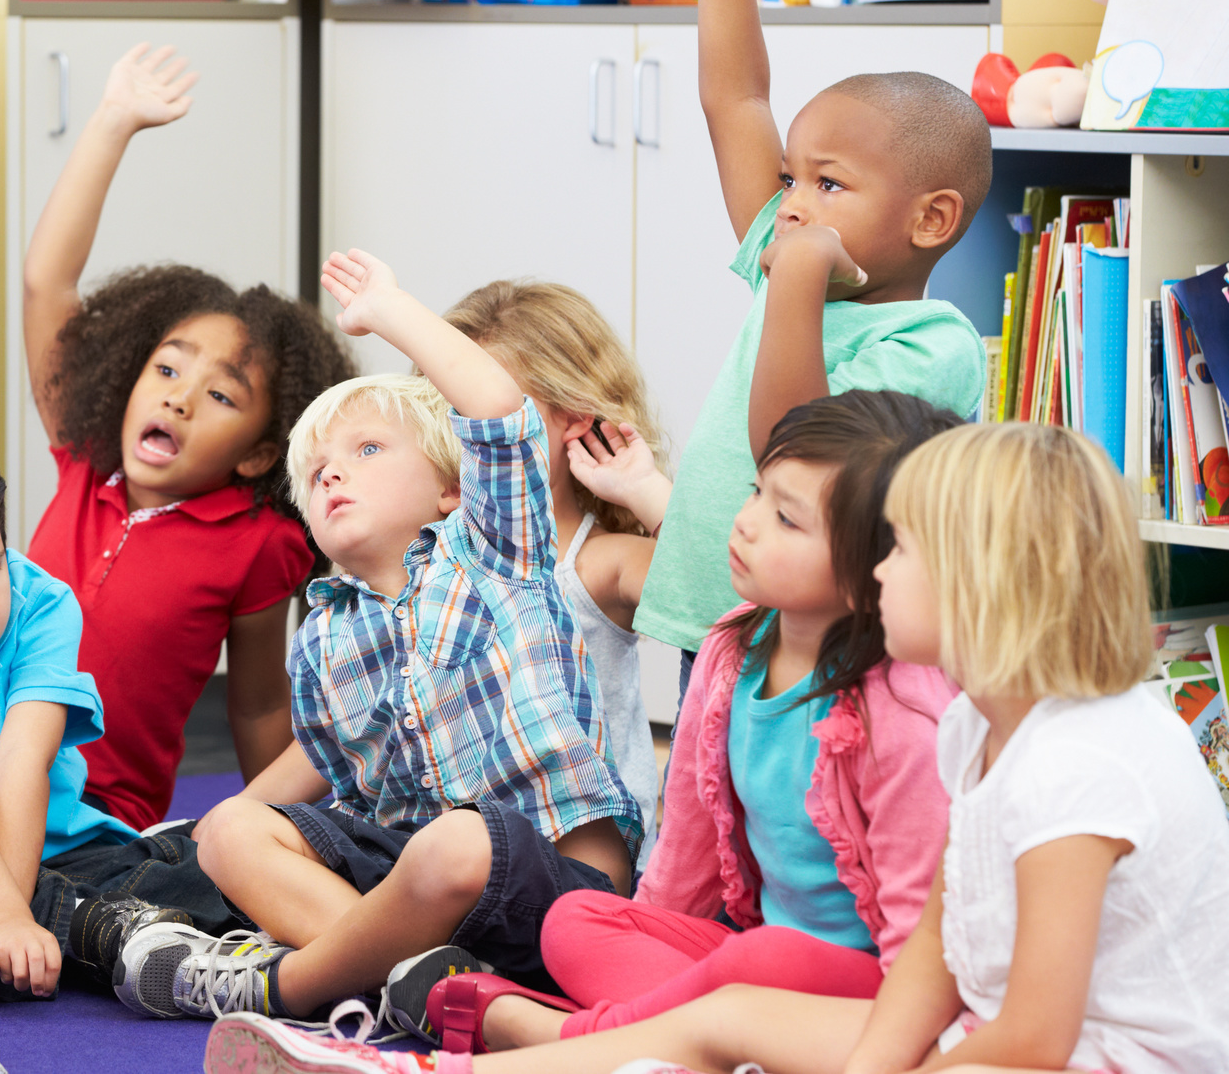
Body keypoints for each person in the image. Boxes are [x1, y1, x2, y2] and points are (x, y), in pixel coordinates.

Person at [206, 422, 1229, 1074]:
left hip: (1076, 1061)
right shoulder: (983, 723)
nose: (878, 574)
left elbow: (1040, 1040)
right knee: (725, 1015)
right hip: (980, 1042)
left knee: (740, 1019)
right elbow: (938, 947)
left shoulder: (1072, 762)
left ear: (982, 583)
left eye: (901, 551)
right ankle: (425, 1070)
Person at [113, 249, 641, 1032]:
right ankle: (423, 988)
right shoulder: (324, 631)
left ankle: (286, 987)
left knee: (456, 842)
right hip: (417, 887)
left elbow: (498, 412)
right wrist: (194, 842)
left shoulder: (496, 552)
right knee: (231, 829)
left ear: (451, 487)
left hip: (555, 878)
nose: (331, 474)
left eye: (366, 451)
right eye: (316, 468)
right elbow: (343, 792)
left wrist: (391, 311)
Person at [420, 391, 961, 1054]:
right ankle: (698, 1043)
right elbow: (685, 856)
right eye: (758, 492)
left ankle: (563, 1037)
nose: (747, 522)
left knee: (759, 962)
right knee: (572, 919)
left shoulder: (901, 714)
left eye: (787, 519)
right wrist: (642, 933)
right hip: (745, 957)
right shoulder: (731, 647)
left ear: (868, 570)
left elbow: (924, 943)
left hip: (874, 984)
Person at [632, 0, 991, 686]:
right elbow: (736, 100)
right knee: (705, 795)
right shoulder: (794, 251)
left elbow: (792, 452)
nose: (791, 201)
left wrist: (794, 273)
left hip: (829, 642)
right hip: (720, 619)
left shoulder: (932, 342)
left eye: (828, 183)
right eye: (791, 177)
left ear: (931, 220)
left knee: (800, 801)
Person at [21, 43, 356, 832]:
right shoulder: (84, 462)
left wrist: (270, 828)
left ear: (257, 453)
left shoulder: (259, 542)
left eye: (217, 394)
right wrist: (112, 122)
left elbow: (261, 702)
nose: (178, 397)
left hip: (101, 815)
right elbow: (48, 283)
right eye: (167, 369)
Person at [0, 411, 238, 1000]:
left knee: (193, 877)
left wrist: (6, 913)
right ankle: (79, 928)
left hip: (55, 849)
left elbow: (22, 758)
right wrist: (5, 914)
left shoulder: (44, 605)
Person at [443, 281, 670, 853]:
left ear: (571, 416)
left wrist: (645, 490)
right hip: (452, 850)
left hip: (580, 859)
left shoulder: (599, 564)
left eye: (483, 408)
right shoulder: (431, 559)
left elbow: (724, 591)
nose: (468, 431)